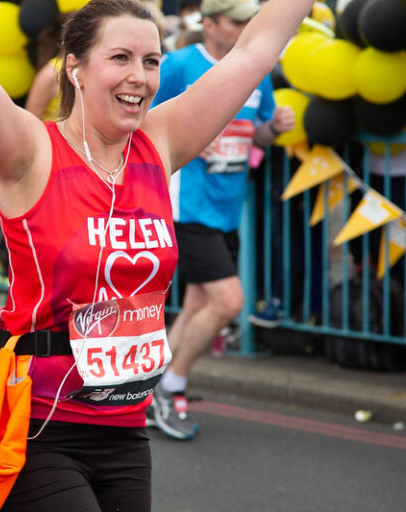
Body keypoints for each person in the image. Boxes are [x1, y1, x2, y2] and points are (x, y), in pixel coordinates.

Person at [0, 0, 312, 508]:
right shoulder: (30, 150)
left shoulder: (158, 142)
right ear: (75, 68)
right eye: (121, 58)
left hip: (126, 428)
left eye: (151, 61)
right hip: (37, 424)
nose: (140, 76)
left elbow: (254, 51)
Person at [144, 0, 297, 441]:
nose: (244, 28)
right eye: (234, 20)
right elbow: (134, 116)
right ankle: (170, 388)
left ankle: (144, 387)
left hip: (227, 207)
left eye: (249, 20)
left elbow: (259, 133)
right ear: (208, 23)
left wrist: (275, 129)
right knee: (228, 303)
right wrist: (184, 139)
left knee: (198, 306)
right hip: (185, 206)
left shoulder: (255, 72)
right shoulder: (179, 65)